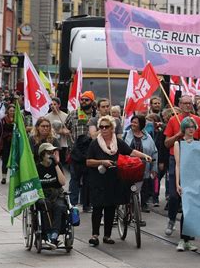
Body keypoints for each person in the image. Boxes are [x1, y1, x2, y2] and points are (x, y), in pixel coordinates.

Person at [86, 115, 151, 246]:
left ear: (112, 128)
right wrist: (102, 161)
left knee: (110, 207)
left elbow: (130, 151)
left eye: (106, 127)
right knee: (98, 207)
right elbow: (88, 161)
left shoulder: (118, 142)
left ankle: (107, 235)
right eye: (101, 127)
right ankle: (95, 235)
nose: (103, 129)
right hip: (98, 179)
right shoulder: (94, 143)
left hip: (114, 178)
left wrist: (144, 156)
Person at [164, 95, 200, 236]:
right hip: (175, 158)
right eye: (185, 103)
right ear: (180, 104)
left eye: (190, 103)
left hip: (192, 160)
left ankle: (189, 226)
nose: (188, 106)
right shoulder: (173, 120)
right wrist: (178, 135)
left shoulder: (198, 120)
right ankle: (171, 219)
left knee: (191, 195)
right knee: (174, 195)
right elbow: (166, 143)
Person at [65, 91, 96, 210]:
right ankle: (72, 204)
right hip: (76, 152)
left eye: (86, 100)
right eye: (82, 99)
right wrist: (65, 131)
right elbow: (64, 127)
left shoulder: (96, 116)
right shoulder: (73, 114)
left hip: (92, 152)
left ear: (92, 102)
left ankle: (87, 204)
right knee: (75, 179)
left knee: (89, 180)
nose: (83, 102)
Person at [123, 114, 158, 214]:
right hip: (128, 167)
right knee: (129, 188)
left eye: (136, 122)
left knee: (143, 188)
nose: (133, 124)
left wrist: (154, 168)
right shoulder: (126, 134)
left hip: (144, 167)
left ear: (141, 124)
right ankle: (128, 205)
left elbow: (154, 152)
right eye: (132, 122)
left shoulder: (148, 138)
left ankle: (142, 204)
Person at [174, 116, 199, 252]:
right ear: (184, 129)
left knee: (192, 210)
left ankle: (188, 239)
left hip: (195, 179)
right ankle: (183, 239)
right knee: (185, 209)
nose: (191, 129)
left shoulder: (198, 142)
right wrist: (177, 182)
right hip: (185, 178)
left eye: (193, 127)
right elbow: (178, 164)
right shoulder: (178, 143)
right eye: (188, 127)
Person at [35, 143, 67, 249]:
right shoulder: (37, 167)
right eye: (49, 153)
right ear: (42, 154)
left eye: (53, 152)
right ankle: (48, 234)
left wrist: (56, 164)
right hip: (43, 195)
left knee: (60, 206)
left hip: (56, 194)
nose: (51, 155)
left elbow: (62, 182)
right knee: (45, 204)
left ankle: (54, 235)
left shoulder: (56, 165)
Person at [45, 98, 70, 169]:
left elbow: (68, 130)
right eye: (51, 104)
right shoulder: (47, 117)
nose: (52, 106)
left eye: (54, 104)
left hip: (63, 144)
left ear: (59, 105)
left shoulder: (66, 116)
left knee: (61, 165)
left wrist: (62, 131)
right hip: (51, 145)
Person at [0, 104, 15, 184]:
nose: (12, 112)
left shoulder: (17, 120)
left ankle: (14, 178)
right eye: (10, 111)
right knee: (5, 160)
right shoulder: (3, 120)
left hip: (14, 143)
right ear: (7, 111)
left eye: (13, 111)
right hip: (5, 143)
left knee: (14, 161)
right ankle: (4, 177)